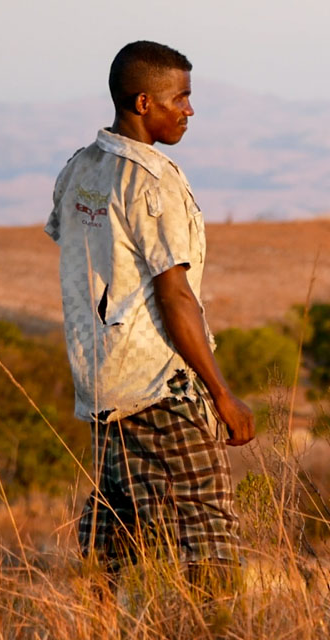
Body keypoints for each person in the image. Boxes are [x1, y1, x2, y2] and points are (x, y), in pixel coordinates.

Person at [44, 40, 254, 593]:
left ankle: (96, 636)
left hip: (100, 387)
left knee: (119, 533)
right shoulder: (151, 179)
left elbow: (81, 253)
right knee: (209, 530)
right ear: (144, 102)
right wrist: (221, 394)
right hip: (158, 386)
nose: (189, 110)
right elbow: (175, 294)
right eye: (180, 98)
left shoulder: (80, 169)